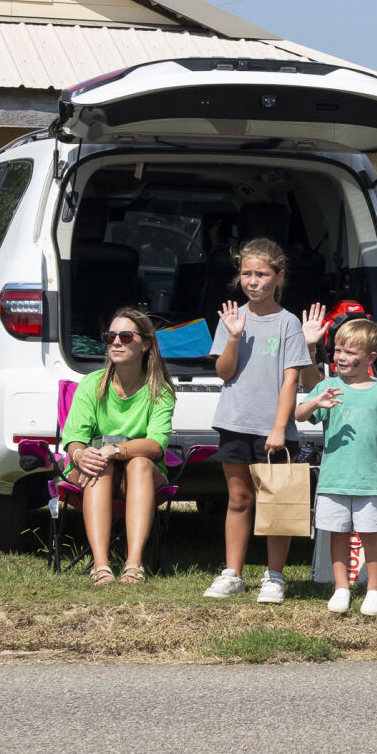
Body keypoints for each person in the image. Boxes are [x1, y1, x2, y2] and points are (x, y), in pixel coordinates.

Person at [201, 238, 314, 605]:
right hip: (235, 421)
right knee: (238, 500)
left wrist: (280, 428)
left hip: (274, 429)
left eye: (262, 274)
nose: (253, 281)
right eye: (247, 273)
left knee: (276, 503)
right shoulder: (233, 317)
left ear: (278, 276)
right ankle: (232, 573)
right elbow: (224, 371)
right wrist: (233, 337)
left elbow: (291, 379)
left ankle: (274, 577)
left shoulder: (288, 323)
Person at [59, 307, 176, 586]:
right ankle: (101, 566)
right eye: (110, 336)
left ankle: (134, 565)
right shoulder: (91, 385)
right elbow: (73, 436)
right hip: (94, 469)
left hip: (141, 473)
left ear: (146, 344)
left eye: (125, 336)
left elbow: (156, 445)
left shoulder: (160, 391)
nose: (116, 342)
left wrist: (116, 450)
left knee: (140, 462)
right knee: (100, 465)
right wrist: (80, 453)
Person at [297, 318, 377, 616]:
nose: (342, 357)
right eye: (338, 350)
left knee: (370, 535)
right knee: (338, 533)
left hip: (369, 480)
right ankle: (341, 587)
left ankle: (374, 589)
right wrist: (316, 402)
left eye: (350, 352)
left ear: (371, 358)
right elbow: (299, 414)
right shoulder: (327, 386)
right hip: (334, 480)